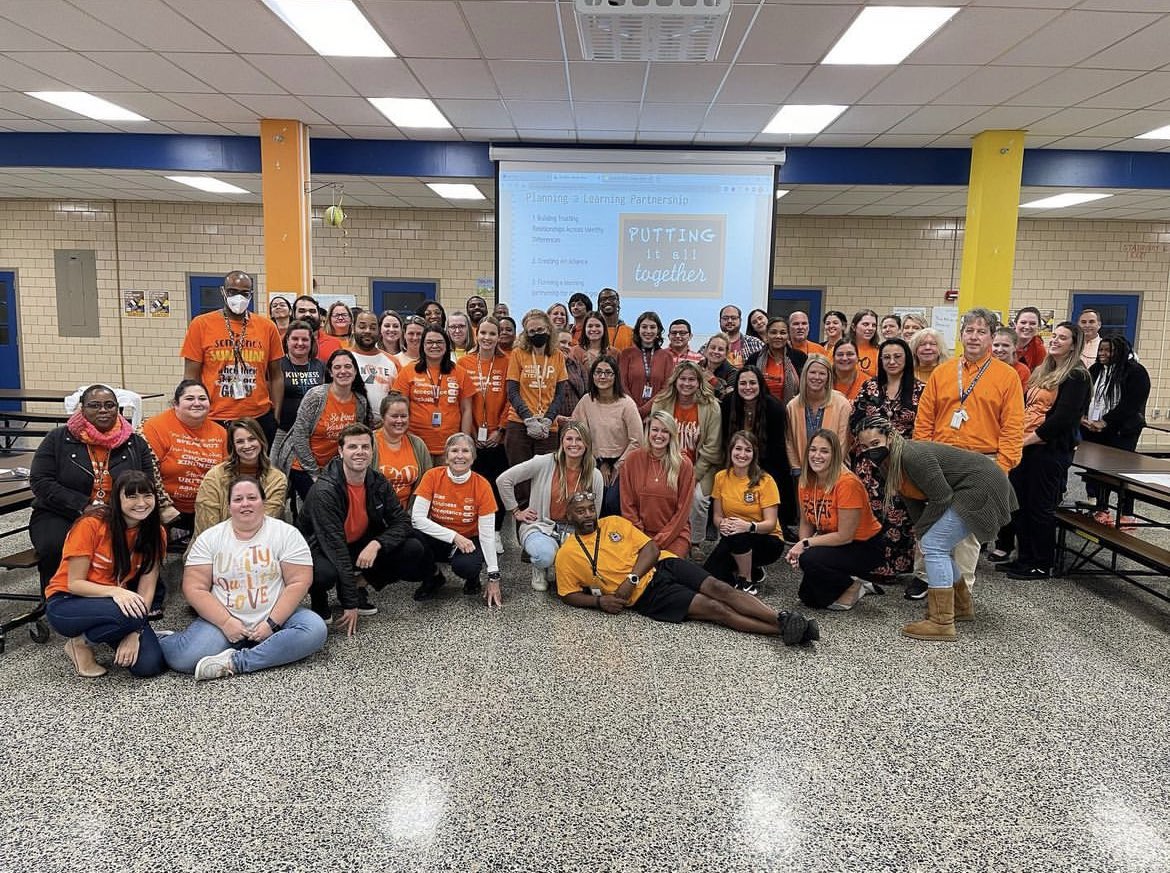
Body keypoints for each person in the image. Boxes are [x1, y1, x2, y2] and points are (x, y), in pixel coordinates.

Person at [555, 493, 818, 646]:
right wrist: (599, 602)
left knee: (720, 588)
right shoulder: (567, 554)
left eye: (590, 509)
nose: (588, 515)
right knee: (715, 609)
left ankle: (781, 618)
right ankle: (785, 630)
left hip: (662, 563)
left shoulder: (613, 522)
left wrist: (631, 578)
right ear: (569, 516)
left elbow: (651, 549)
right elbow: (567, 594)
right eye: (580, 511)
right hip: (647, 596)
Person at [855, 420, 1016, 640]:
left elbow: (941, 497)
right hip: (973, 484)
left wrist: (924, 529)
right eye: (865, 447)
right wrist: (920, 529)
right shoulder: (888, 463)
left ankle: (941, 622)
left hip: (982, 484)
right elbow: (911, 498)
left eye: (875, 443)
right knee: (933, 543)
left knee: (934, 544)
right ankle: (960, 605)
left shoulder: (912, 455)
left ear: (890, 437)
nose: (870, 450)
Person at [161, 477, 327, 680]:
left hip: (277, 617)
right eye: (238, 499)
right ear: (229, 505)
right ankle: (167, 639)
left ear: (263, 502)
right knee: (184, 659)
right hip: (224, 619)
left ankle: (236, 662)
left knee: (315, 629)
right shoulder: (210, 538)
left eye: (252, 498)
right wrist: (226, 622)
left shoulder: (286, 534)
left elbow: (299, 581)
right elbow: (194, 588)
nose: (245, 504)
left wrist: (271, 624)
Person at [913, 307, 1024, 599]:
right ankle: (925, 578)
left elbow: (1013, 426)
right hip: (940, 459)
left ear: (991, 337)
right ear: (961, 335)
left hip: (982, 462)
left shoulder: (1007, 376)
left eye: (981, 332)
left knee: (966, 532)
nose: (974, 337)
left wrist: (1002, 468)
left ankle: (960, 592)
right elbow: (924, 419)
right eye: (969, 331)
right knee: (931, 518)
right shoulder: (943, 372)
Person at [300, 424, 432, 634]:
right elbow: (335, 548)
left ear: (372, 451)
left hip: (357, 541)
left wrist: (377, 543)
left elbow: (402, 521)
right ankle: (319, 596)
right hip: (321, 548)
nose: (360, 452)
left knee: (412, 547)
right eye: (352, 447)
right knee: (325, 574)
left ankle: (358, 584)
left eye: (365, 446)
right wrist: (350, 604)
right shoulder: (325, 490)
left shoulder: (377, 481)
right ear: (341, 451)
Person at [30, 384, 160, 592]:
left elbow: (147, 482)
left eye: (109, 405)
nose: (103, 410)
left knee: (143, 539)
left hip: (119, 514)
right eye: (94, 405)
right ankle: (56, 598)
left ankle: (124, 596)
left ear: (118, 408)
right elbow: (40, 481)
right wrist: (84, 505)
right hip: (63, 512)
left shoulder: (134, 443)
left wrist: (123, 509)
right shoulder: (58, 439)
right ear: (82, 408)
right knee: (55, 546)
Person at [43, 470, 167, 678]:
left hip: (115, 605)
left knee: (149, 665)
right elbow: (75, 583)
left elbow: (147, 588)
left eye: (147, 495)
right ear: (117, 499)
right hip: (67, 601)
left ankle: (100, 635)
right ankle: (79, 644)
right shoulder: (91, 524)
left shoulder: (156, 533)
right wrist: (115, 592)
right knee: (127, 615)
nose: (141, 503)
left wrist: (135, 631)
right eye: (132, 496)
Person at [996, 322, 1091, 580]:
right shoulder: (1044, 369)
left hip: (1049, 450)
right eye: (1054, 336)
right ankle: (1024, 558)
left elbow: (1064, 419)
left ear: (1074, 344)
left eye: (1063, 338)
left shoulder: (1077, 375)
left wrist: (1028, 440)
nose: (1055, 341)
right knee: (1020, 505)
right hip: (1027, 446)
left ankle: (1040, 563)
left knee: (1039, 508)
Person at [848, 338, 924, 581]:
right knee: (871, 511)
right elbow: (855, 420)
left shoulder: (920, 390)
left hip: (903, 462)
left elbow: (924, 425)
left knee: (900, 512)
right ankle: (870, 562)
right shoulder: (870, 386)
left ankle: (897, 566)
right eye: (886, 357)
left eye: (897, 357)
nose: (892, 361)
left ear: (907, 359)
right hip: (870, 464)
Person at [498, 420, 604, 591]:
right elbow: (504, 480)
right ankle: (539, 567)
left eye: (579, 439)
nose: (574, 444)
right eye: (569, 439)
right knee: (544, 555)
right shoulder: (544, 462)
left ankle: (566, 565)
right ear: (562, 441)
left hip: (574, 530)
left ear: (587, 443)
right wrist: (516, 511)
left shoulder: (594, 474)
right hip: (541, 526)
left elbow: (594, 515)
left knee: (585, 569)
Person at [181, 269, 284, 445]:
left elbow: (276, 375)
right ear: (223, 292)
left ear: (251, 294)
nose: (239, 297)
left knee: (256, 462)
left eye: (245, 293)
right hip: (215, 416)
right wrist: (194, 412)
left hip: (258, 416)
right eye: (233, 292)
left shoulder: (267, 327)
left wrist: (276, 415)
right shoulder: (201, 324)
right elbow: (191, 376)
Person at [786, 429, 884, 611]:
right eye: (813, 450)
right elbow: (806, 521)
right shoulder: (806, 480)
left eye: (824, 451)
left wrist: (805, 545)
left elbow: (845, 536)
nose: (817, 456)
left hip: (863, 545)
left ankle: (854, 585)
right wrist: (801, 548)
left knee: (810, 559)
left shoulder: (847, 483)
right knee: (808, 598)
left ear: (835, 455)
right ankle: (854, 580)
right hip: (833, 541)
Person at [411, 432, 502, 606]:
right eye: (454, 450)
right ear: (446, 457)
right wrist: (454, 536)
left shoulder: (482, 485)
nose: (459, 456)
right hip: (439, 537)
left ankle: (473, 578)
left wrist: (493, 576)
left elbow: (487, 535)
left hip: (469, 540)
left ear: (473, 457)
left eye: (465, 451)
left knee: (467, 567)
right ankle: (433, 577)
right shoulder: (432, 476)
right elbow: (417, 519)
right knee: (411, 543)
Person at [275, 348, 372, 500]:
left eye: (348, 366)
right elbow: (299, 436)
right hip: (303, 465)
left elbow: (356, 439)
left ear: (355, 372)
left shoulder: (360, 402)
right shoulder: (316, 396)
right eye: (337, 367)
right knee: (321, 502)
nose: (343, 371)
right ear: (331, 372)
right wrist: (315, 473)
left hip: (335, 469)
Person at [651, 361, 723, 559]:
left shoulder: (711, 407)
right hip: (665, 463)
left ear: (699, 382)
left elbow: (712, 448)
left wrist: (692, 476)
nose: (687, 383)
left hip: (700, 466)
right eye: (683, 379)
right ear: (675, 381)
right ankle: (663, 536)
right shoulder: (661, 403)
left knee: (698, 499)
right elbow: (654, 438)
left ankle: (695, 541)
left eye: (692, 379)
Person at [141, 380, 227, 537]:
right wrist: (163, 505)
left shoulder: (220, 432)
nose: (197, 403)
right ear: (176, 404)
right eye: (189, 398)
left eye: (202, 398)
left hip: (207, 506)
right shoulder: (154, 427)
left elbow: (226, 473)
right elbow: (148, 472)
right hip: (165, 508)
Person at [704, 431, 785, 593]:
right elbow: (717, 516)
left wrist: (748, 526)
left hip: (767, 539)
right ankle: (753, 570)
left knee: (737, 533)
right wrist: (722, 524)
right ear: (730, 450)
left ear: (754, 454)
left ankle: (746, 581)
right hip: (734, 536)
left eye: (748, 450)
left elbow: (770, 524)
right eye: (738, 449)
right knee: (710, 574)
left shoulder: (765, 481)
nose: (742, 454)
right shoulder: (721, 477)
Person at [1082, 334, 1149, 524]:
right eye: (1101, 350)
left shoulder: (1135, 372)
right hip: (1094, 428)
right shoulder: (1096, 369)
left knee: (1121, 472)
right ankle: (1101, 508)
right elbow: (1086, 395)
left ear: (1119, 352)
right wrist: (1084, 418)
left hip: (1122, 431)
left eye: (1108, 350)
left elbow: (1131, 404)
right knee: (1097, 471)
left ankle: (1126, 513)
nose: (1102, 354)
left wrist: (1106, 421)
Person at [457, 315, 511, 547]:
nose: (487, 338)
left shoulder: (508, 362)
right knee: (473, 485)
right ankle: (473, 531)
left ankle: (496, 531)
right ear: (476, 335)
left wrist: (500, 430)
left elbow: (511, 399)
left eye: (492, 333)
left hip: (498, 437)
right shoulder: (464, 363)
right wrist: (470, 433)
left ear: (499, 337)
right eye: (483, 333)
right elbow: (461, 402)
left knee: (496, 485)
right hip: (473, 436)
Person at [721, 365, 793, 531]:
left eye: (752, 383)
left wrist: (755, 468)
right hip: (735, 458)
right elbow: (725, 439)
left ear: (761, 384)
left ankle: (778, 523)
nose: (748, 387)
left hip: (767, 460)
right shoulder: (728, 403)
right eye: (743, 383)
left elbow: (777, 448)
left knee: (777, 477)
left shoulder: (774, 407)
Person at [571, 355, 642, 517]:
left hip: (622, 463)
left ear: (615, 376)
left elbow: (637, 440)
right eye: (598, 372)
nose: (602, 376)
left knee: (612, 501)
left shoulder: (627, 404)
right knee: (592, 500)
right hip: (592, 461)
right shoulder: (586, 401)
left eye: (608, 373)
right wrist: (600, 463)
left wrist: (617, 466)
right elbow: (578, 433)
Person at [194, 417, 287, 540]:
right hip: (215, 543)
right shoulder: (215, 476)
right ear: (233, 446)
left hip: (260, 543)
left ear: (261, 440)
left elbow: (265, 522)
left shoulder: (277, 479)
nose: (247, 445)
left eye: (252, 439)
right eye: (240, 441)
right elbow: (206, 524)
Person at [392, 326, 474, 463]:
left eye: (439, 342)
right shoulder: (408, 372)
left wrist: (464, 442)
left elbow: (467, 409)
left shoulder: (460, 372)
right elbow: (400, 409)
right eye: (429, 342)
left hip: (450, 446)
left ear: (446, 345)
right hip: (416, 445)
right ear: (422, 345)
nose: (434, 346)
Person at [505, 309, 569, 478]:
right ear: (526, 334)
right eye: (531, 331)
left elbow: (560, 394)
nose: (536, 334)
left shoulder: (558, 356)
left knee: (544, 479)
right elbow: (512, 392)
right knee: (520, 479)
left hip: (548, 426)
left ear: (548, 329)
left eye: (540, 330)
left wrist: (548, 419)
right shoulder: (518, 354)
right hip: (520, 424)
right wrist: (529, 419)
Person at [620, 412, 695, 557]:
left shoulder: (684, 465)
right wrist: (641, 538)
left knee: (666, 567)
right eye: (655, 429)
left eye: (665, 431)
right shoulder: (632, 460)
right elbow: (627, 505)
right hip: (639, 533)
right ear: (648, 431)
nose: (659, 435)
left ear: (672, 435)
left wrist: (658, 541)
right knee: (633, 567)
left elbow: (682, 512)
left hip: (674, 534)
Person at [785, 354, 852, 483]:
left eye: (822, 373)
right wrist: (797, 470)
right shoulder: (792, 406)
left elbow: (843, 443)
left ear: (828, 377)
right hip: (803, 476)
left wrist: (830, 472)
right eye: (812, 372)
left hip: (836, 475)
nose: (816, 377)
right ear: (805, 375)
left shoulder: (842, 404)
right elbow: (790, 442)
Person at [274, 319, 327, 457]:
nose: (300, 343)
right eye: (295, 339)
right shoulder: (278, 365)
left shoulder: (320, 366)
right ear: (287, 341)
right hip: (283, 430)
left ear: (311, 342)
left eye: (305, 339)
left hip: (313, 432)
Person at [372, 392, 433, 510]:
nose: (399, 420)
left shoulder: (418, 444)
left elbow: (428, 483)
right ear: (383, 417)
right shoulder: (369, 442)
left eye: (404, 416)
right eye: (394, 416)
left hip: (408, 513)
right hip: (375, 512)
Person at [619, 311, 673, 419]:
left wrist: (645, 410)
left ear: (658, 331)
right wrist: (634, 409)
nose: (648, 331)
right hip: (628, 413)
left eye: (652, 327)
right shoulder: (626, 354)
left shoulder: (667, 356)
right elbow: (622, 384)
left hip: (656, 414)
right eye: (644, 327)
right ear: (638, 330)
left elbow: (666, 388)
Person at [350, 310, 398, 413]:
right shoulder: (343, 358)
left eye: (373, 328)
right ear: (353, 328)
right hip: (350, 421)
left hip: (384, 421)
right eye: (362, 327)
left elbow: (399, 398)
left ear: (379, 331)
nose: (368, 331)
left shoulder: (393, 362)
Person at [747, 316, 800, 406]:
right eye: (773, 332)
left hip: (790, 409)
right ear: (766, 335)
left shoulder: (799, 358)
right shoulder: (754, 359)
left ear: (788, 336)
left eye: (782, 333)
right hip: (759, 409)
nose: (778, 336)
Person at [292, 294, 341, 363]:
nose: (308, 314)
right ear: (293, 315)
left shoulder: (334, 343)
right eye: (302, 311)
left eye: (312, 311)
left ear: (319, 315)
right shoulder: (283, 343)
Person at [718, 304, 762, 369]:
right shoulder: (709, 347)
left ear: (740, 320)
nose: (729, 321)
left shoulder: (755, 343)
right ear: (720, 321)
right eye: (725, 318)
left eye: (733, 318)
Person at [558, 328, 588, 412]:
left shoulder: (577, 365)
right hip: (552, 418)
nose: (567, 347)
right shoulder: (544, 365)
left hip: (576, 417)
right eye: (563, 342)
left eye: (570, 344)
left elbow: (587, 393)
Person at [702, 332, 737, 400]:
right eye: (713, 348)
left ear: (726, 354)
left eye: (720, 349)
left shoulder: (733, 373)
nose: (716, 351)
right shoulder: (698, 367)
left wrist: (714, 382)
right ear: (706, 350)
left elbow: (729, 399)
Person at [831, 338, 864, 404]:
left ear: (858, 358)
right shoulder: (823, 379)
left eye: (850, 354)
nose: (845, 358)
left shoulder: (867, 383)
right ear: (833, 358)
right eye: (840, 354)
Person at [849, 309, 880, 378]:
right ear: (854, 327)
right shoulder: (840, 348)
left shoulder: (879, 351)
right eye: (865, 324)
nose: (870, 328)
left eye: (874, 325)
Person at [1014, 306, 1045, 372]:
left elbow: (1040, 374)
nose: (1027, 327)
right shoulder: (1001, 341)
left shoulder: (1039, 349)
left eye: (1032, 323)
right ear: (1015, 324)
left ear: (1038, 327)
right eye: (1023, 322)